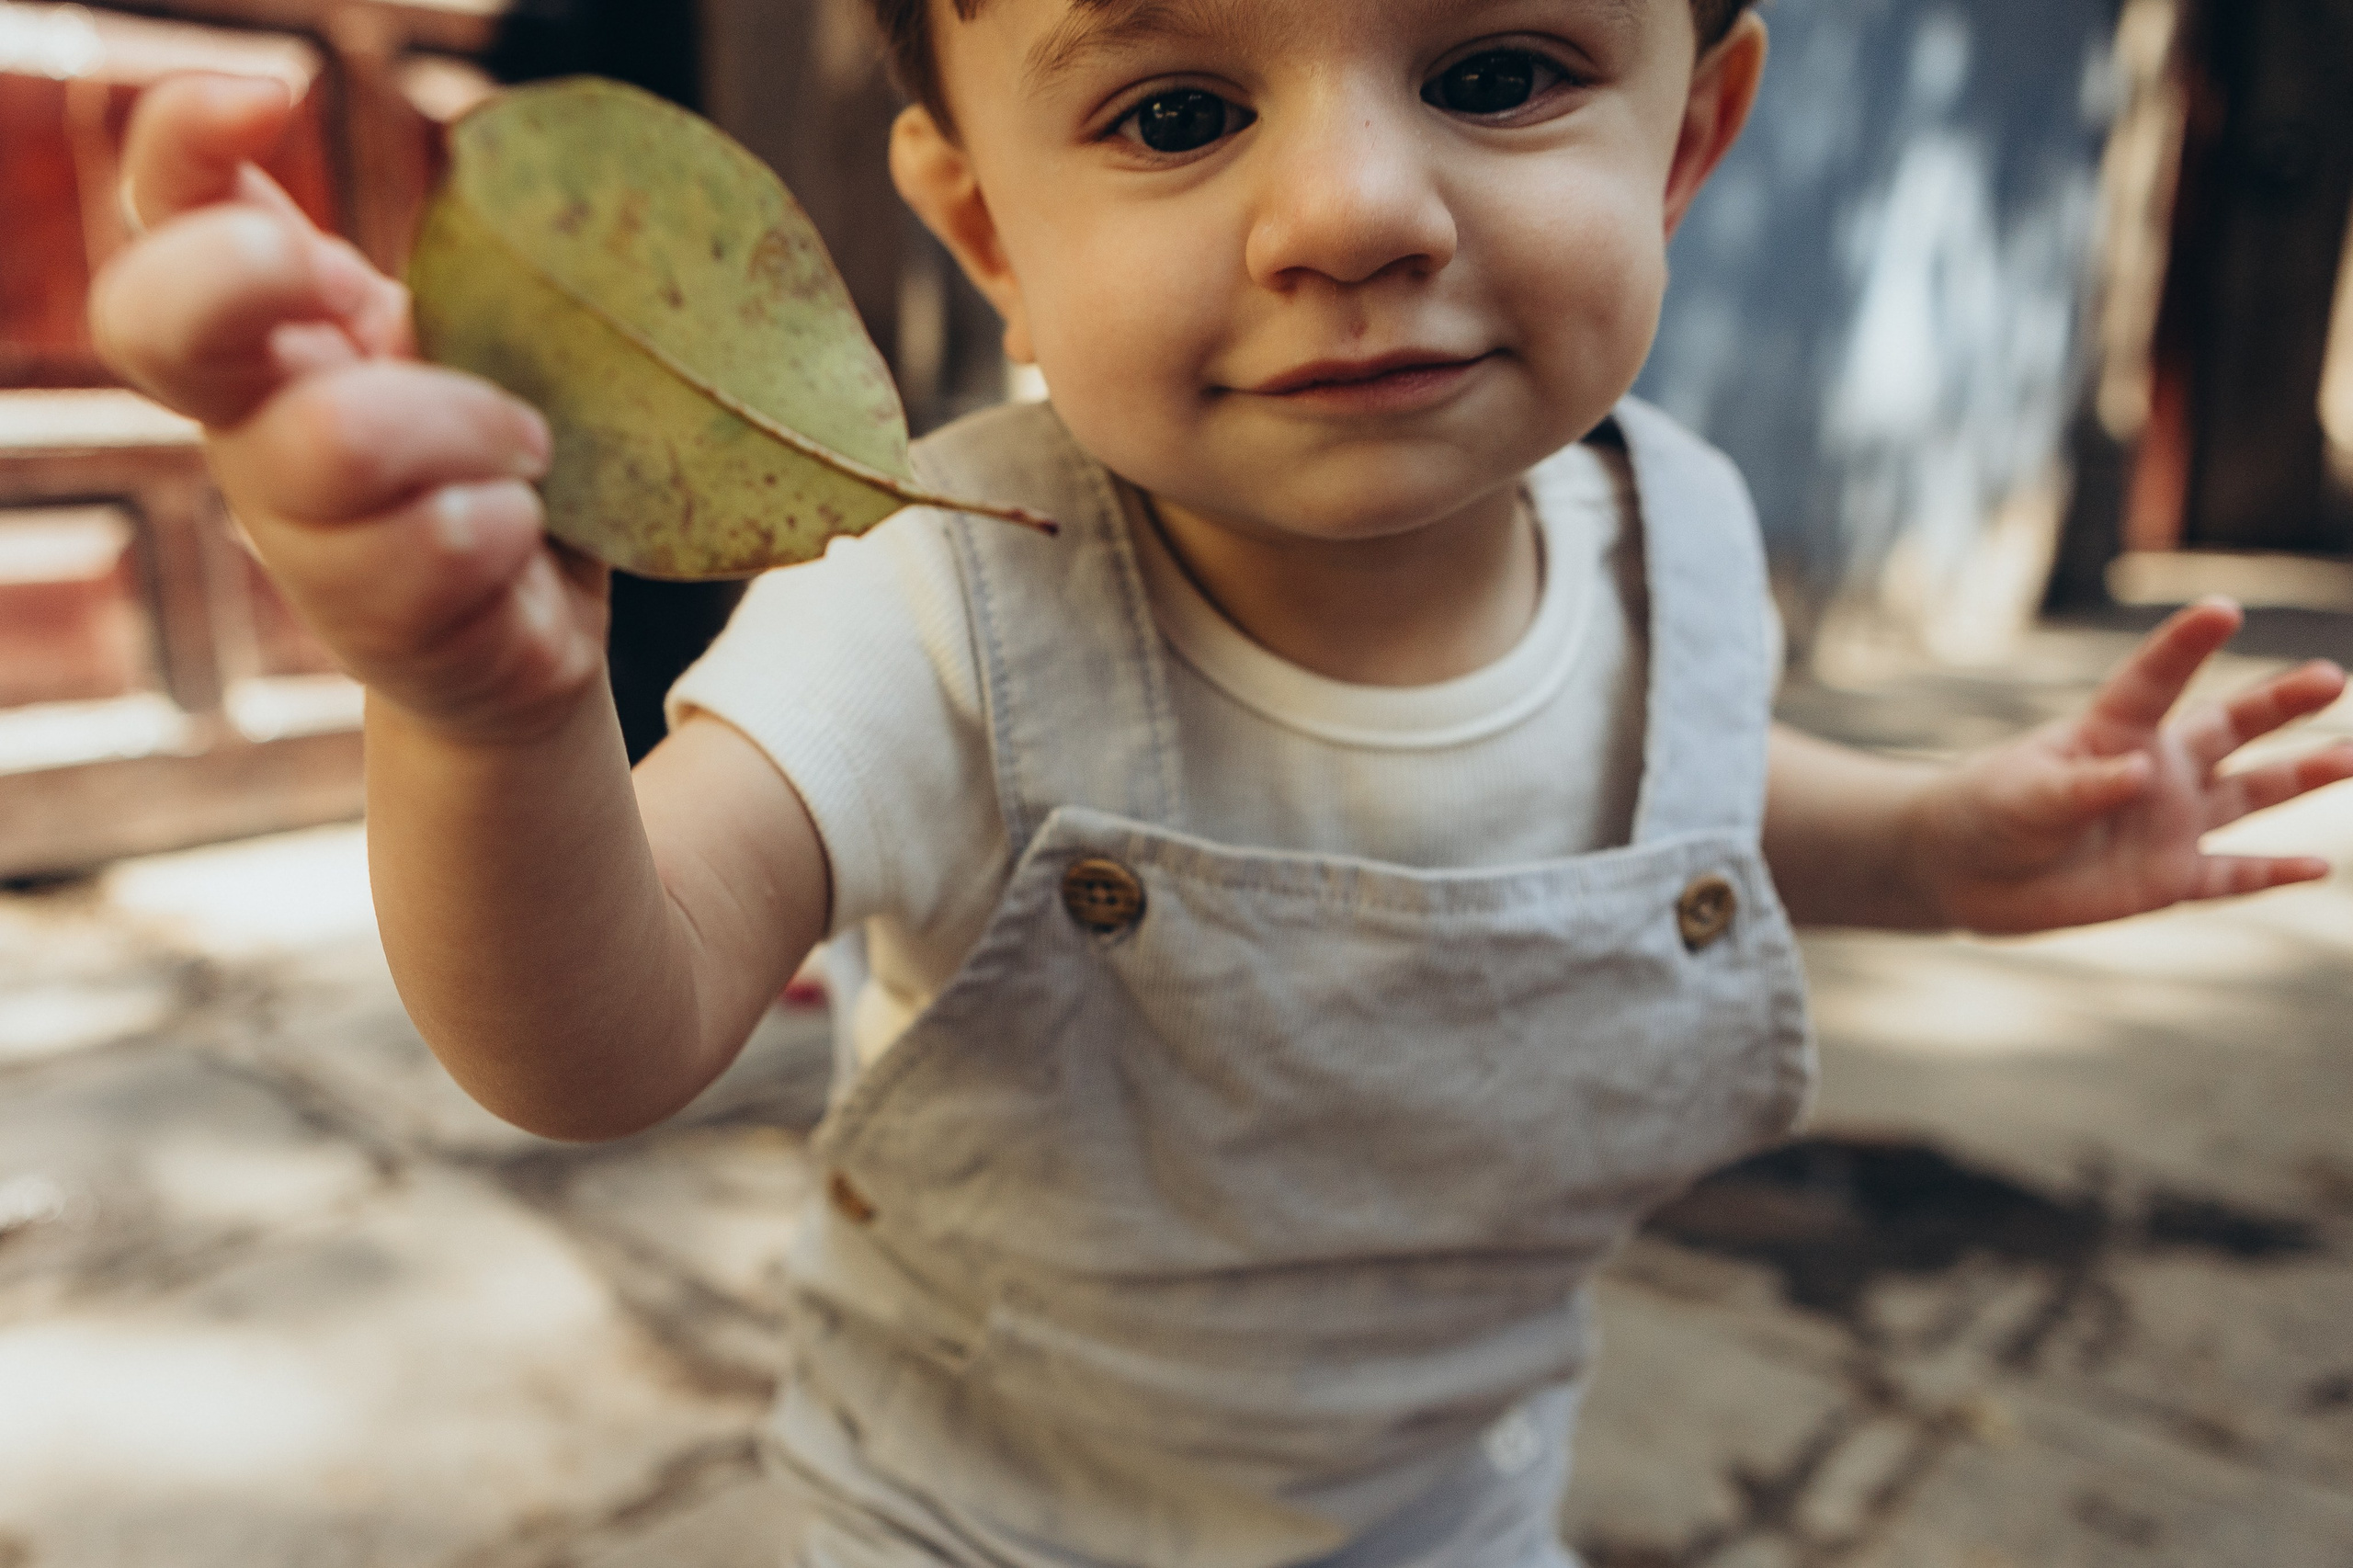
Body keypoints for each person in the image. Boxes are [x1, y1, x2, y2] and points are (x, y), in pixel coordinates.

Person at [89, 1, 2353, 1562]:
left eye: (1490, 69)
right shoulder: (930, 607)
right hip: (983, 1516)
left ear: (1685, 132)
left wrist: (1938, 844)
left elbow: (1664, 786)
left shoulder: (1676, 526)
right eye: (1173, 111)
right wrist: (487, 719)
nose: (1350, 208)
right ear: (979, 218)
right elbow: (602, 1036)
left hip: (1452, 1496)